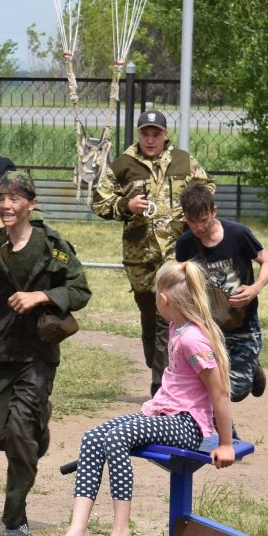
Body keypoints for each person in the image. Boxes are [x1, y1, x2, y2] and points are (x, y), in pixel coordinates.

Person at [35, 260, 236, 536]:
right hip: (163, 415)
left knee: (117, 437)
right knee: (93, 437)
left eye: (156, 294)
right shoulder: (176, 327)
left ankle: (122, 533)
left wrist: (225, 443)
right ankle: (76, 533)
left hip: (187, 423)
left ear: (164, 299)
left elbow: (219, 392)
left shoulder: (192, 339)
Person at [0, 169, 92, 536]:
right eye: (1, 198)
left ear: (32, 203)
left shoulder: (53, 246)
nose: (7, 205)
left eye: (15, 199)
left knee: (17, 434)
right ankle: (39, 432)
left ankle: (14, 518)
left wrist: (42, 297)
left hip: (37, 353)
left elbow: (79, 290)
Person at [92, 110, 211, 395]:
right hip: (140, 256)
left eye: (156, 134)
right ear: (138, 133)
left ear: (165, 135)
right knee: (149, 314)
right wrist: (125, 206)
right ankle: (156, 363)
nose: (150, 139)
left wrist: (191, 206)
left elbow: (207, 188)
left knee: (168, 316)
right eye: (145, 133)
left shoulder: (184, 161)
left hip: (176, 253)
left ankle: (161, 384)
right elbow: (99, 202)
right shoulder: (124, 165)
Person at [175, 180, 268, 402]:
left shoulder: (237, 234)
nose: (199, 228)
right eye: (193, 222)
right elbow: (183, 284)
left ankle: (251, 368)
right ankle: (226, 435)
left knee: (235, 392)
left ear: (214, 211)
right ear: (185, 217)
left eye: (203, 220)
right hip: (209, 326)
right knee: (211, 391)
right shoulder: (184, 245)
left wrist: (254, 289)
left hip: (244, 323)